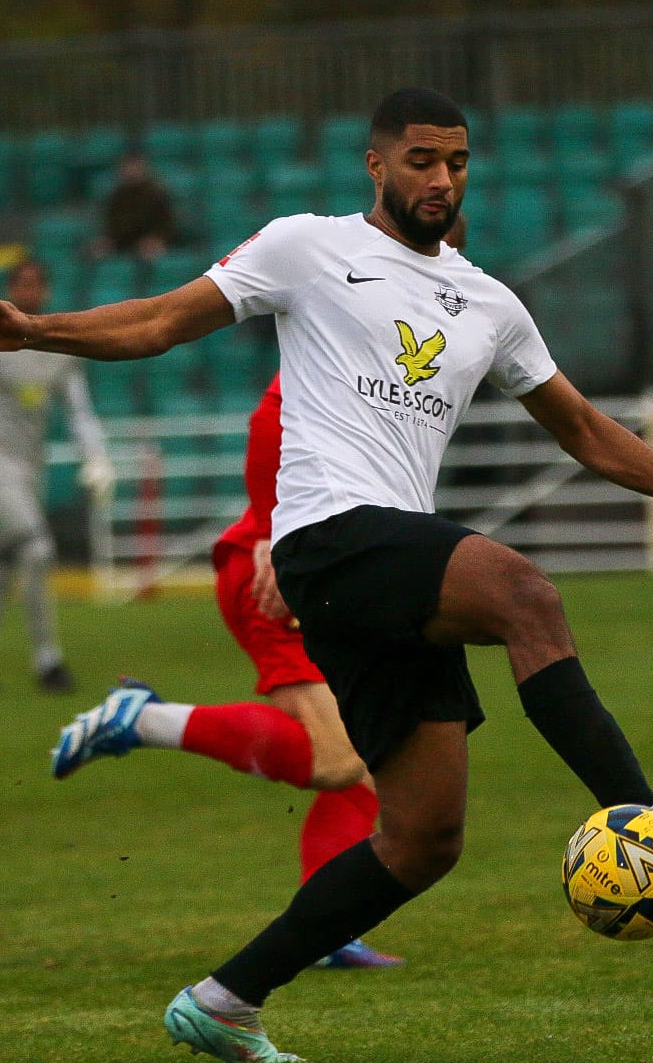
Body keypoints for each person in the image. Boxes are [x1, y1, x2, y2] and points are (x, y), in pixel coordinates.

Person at [0, 87, 653, 1063]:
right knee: (527, 594)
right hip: (326, 533)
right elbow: (160, 322)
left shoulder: (489, 303)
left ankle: (223, 998)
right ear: (376, 164)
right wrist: (35, 330)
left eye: (457, 162)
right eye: (421, 160)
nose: (440, 179)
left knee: (421, 837)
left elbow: (584, 431)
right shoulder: (305, 246)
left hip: (385, 558)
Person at [55, 370, 402, 969]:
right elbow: (271, 416)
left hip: (325, 577)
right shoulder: (344, 330)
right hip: (278, 575)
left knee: (368, 763)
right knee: (339, 757)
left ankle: (328, 929)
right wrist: (271, 535)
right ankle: (144, 719)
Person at [0, 258, 115, 696]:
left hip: (29, 465)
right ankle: (48, 660)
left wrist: (95, 457)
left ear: (46, 291)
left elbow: (79, 410)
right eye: (23, 284)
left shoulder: (57, 347)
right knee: (36, 551)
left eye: (38, 284)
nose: (31, 292)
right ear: (10, 290)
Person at [95, 153, 176, 262]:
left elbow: (166, 224)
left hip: (151, 240)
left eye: (134, 167)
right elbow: (111, 223)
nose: (131, 171)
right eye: (128, 167)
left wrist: (158, 239)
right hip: (121, 241)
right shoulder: (117, 196)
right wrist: (110, 240)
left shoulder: (156, 194)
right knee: (97, 251)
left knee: (151, 253)